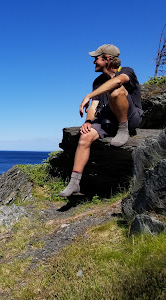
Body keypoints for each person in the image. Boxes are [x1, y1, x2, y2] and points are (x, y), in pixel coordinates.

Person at [58, 44, 143, 197]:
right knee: (84, 137)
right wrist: (88, 122)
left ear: (107, 59)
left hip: (130, 118)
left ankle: (123, 129)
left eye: (96, 58)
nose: (94, 62)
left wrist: (87, 96)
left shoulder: (125, 71)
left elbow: (117, 82)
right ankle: (74, 183)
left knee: (117, 92)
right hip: (107, 121)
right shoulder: (98, 82)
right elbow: (94, 106)